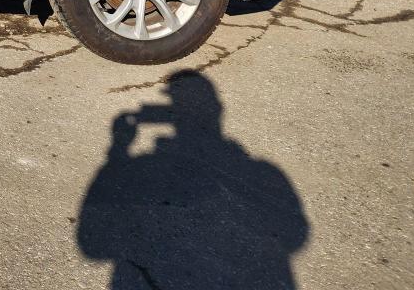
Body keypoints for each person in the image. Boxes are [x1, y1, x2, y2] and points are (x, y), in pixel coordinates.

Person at [78, 71, 308, 289]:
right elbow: (296, 235)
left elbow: (92, 245)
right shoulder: (264, 171)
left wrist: (118, 149)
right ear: (217, 109)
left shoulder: (259, 172)